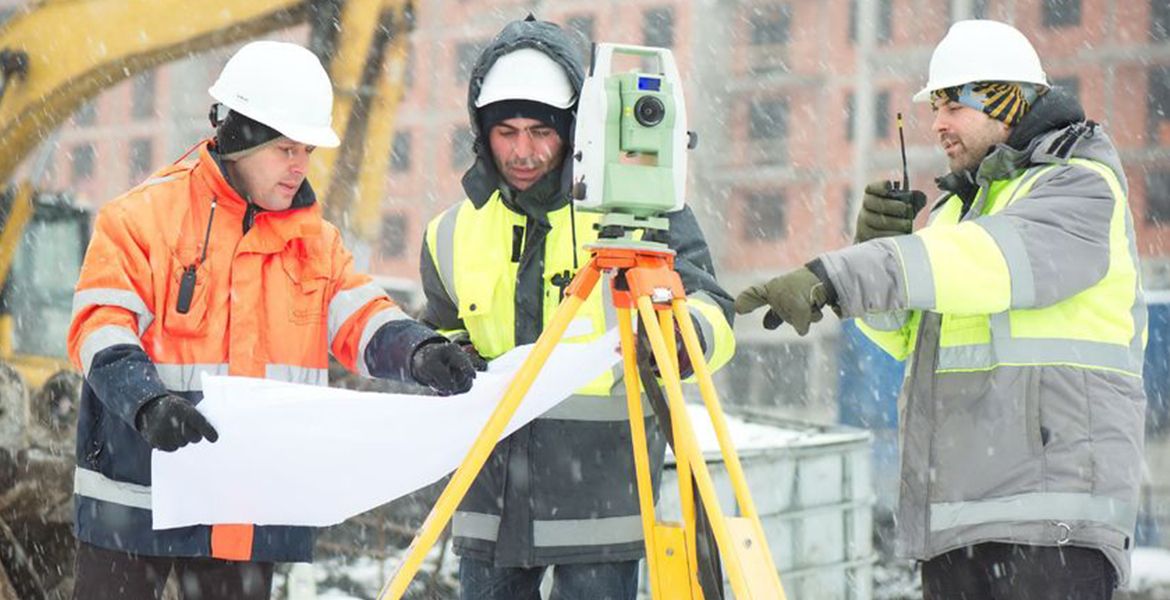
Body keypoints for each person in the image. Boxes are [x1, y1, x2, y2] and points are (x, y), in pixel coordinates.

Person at [735, 19, 1146, 600]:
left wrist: (848, 272)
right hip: (961, 523)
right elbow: (907, 339)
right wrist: (869, 260)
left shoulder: (1078, 185)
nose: (937, 124)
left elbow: (990, 264)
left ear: (1004, 97)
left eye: (952, 104)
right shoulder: (960, 209)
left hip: (1053, 523)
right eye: (934, 107)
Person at [66, 41, 477, 600]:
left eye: (306, 150)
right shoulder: (138, 220)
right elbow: (100, 327)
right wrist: (148, 403)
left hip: (245, 503)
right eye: (286, 149)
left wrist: (420, 351)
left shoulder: (315, 242)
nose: (300, 167)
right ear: (240, 139)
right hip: (139, 496)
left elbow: (362, 318)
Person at [418, 16, 736, 600]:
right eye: (506, 132)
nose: (523, 151)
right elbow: (442, 326)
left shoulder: (640, 214)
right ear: (480, 131)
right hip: (488, 502)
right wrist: (440, 354)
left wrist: (679, 339)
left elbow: (714, 308)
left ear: (575, 127)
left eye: (541, 130)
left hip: (601, 502)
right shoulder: (450, 232)